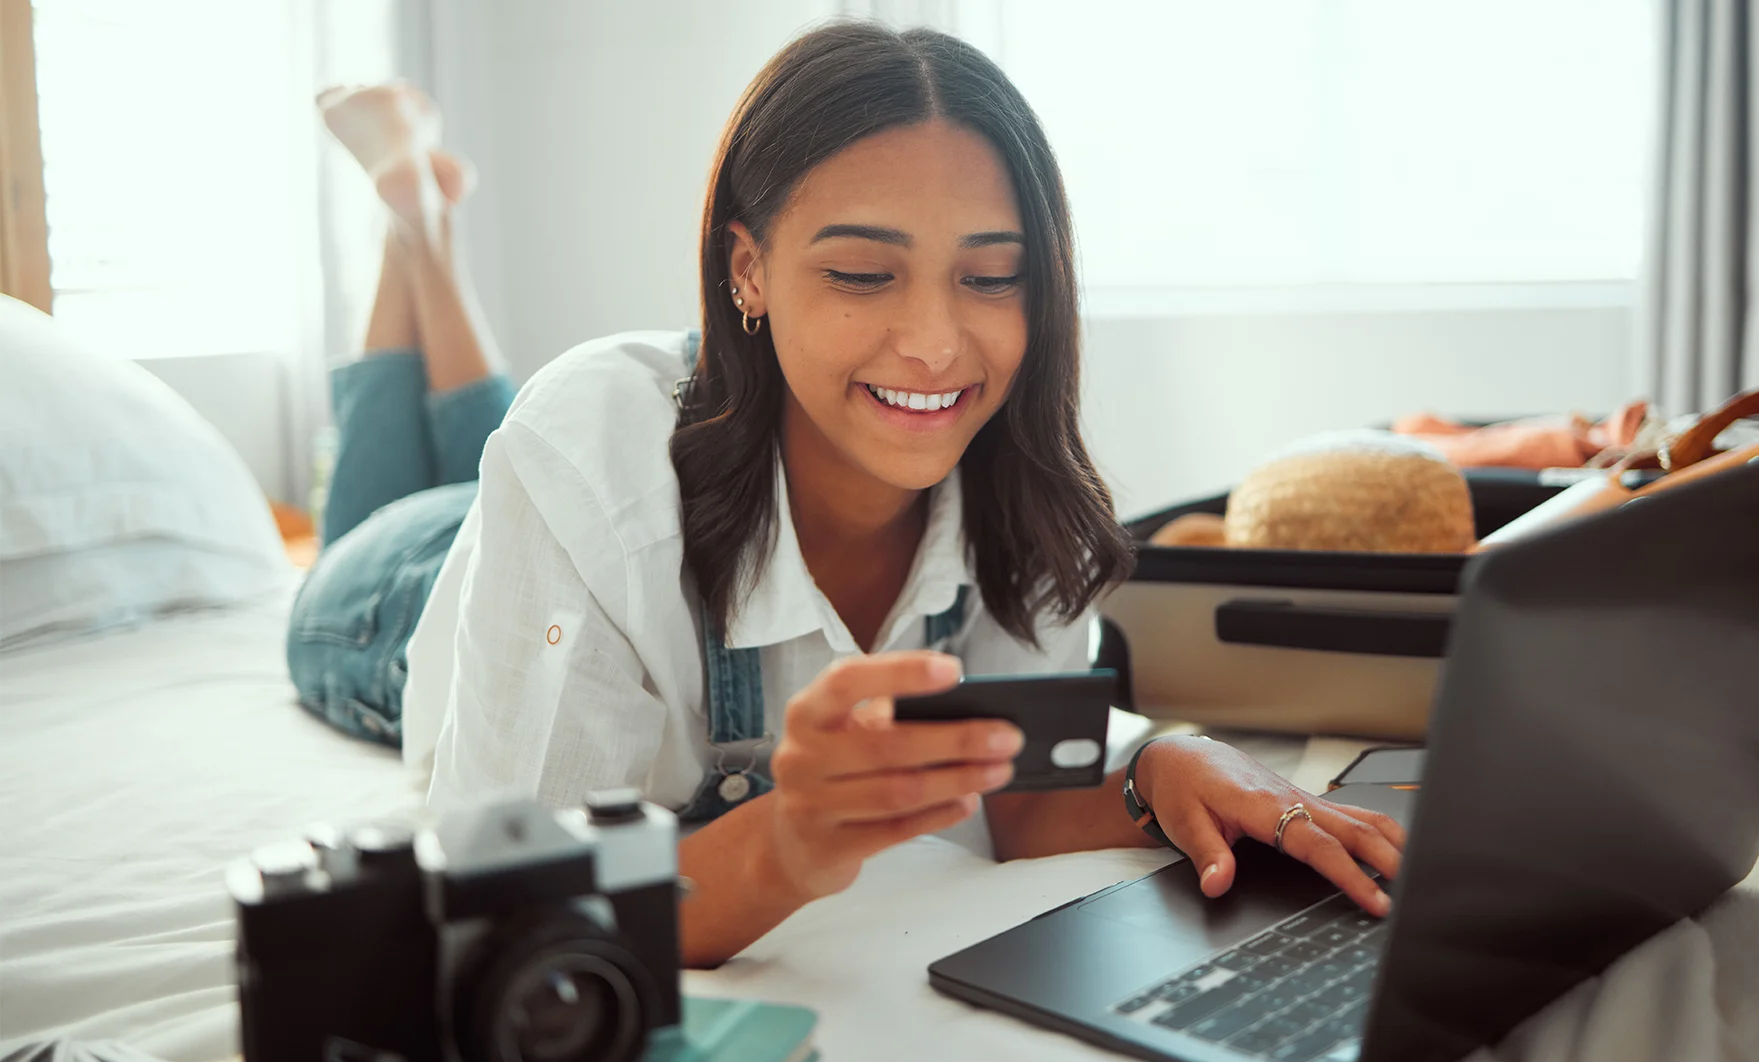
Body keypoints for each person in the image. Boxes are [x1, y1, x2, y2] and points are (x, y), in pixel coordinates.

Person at [292, 23, 1405, 969]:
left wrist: (1162, 765)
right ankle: (416, 215)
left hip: (536, 504)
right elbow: (523, 913)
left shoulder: (1018, 474)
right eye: (862, 274)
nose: (934, 344)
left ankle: (419, 211)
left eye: (990, 275)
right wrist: (786, 842)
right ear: (747, 269)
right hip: (388, 597)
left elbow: (1020, 794)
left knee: (473, 426)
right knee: (428, 474)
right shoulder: (587, 453)